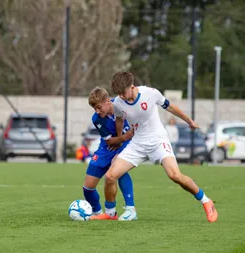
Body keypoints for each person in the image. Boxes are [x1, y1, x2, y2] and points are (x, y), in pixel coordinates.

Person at [91, 72, 218, 222]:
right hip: (138, 143)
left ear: (131, 87)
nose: (122, 97)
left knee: (175, 175)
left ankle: (206, 201)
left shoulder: (150, 93)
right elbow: (119, 118)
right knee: (111, 176)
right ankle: (110, 214)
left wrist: (189, 121)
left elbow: (170, 107)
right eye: (119, 94)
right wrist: (119, 139)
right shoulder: (118, 102)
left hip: (158, 141)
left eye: (123, 93)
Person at [84, 86, 137, 221]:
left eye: (99, 107)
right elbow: (110, 142)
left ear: (108, 101)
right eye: (94, 108)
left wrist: (125, 139)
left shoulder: (123, 105)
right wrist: (124, 137)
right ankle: (97, 212)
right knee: (88, 187)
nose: (97, 111)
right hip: (107, 147)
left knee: (118, 169)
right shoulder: (96, 119)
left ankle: (129, 209)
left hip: (128, 145)